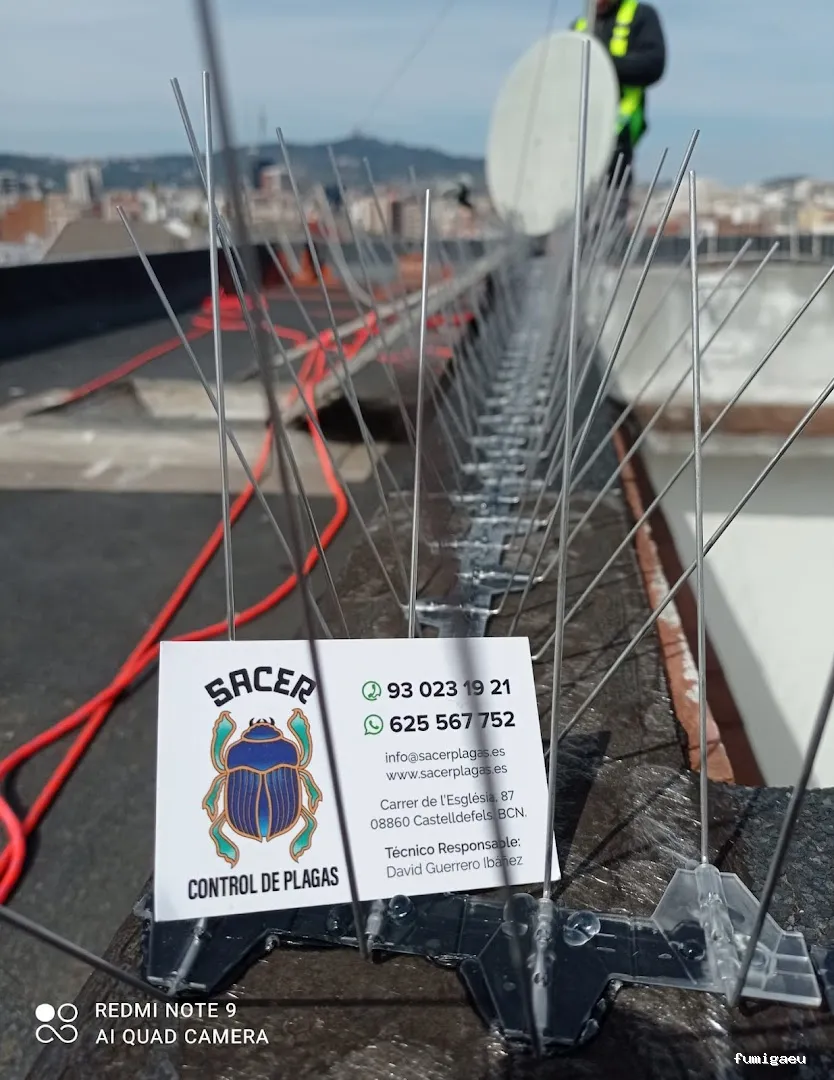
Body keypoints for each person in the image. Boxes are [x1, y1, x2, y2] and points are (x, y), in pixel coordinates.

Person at [573, 1, 667, 221]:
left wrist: (601, 63)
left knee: (605, 225)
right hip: (573, 147)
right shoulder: (579, 26)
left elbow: (653, 64)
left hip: (616, 143)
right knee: (569, 226)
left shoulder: (639, 15)